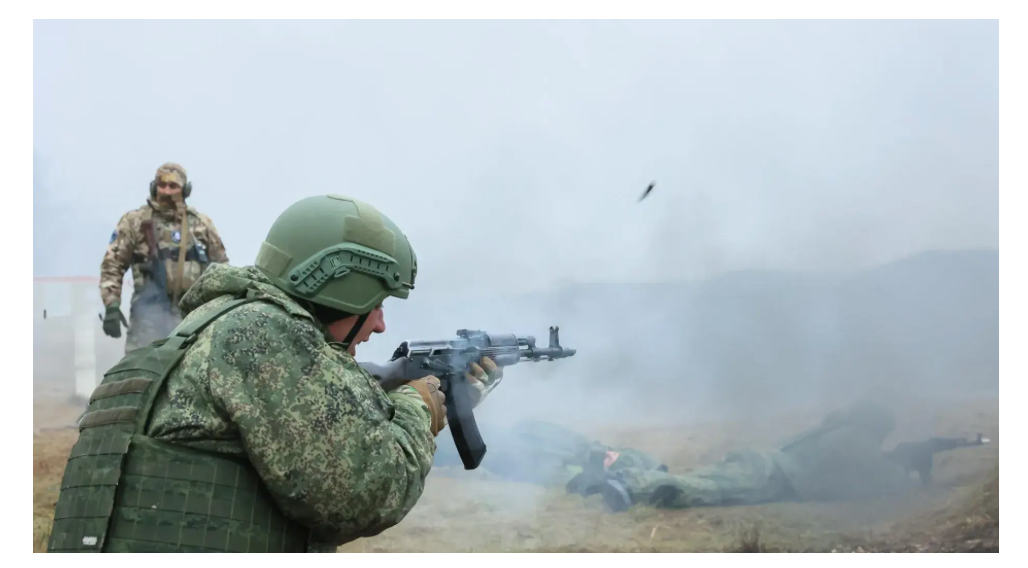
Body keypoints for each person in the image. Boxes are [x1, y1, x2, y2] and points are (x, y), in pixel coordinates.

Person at [48, 194, 504, 553]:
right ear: (344, 289)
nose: (381, 323)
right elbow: (366, 493)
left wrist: (445, 395)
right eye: (376, 303)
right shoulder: (262, 335)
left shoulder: (219, 325)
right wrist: (419, 406)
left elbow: (316, 427)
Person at [567, 400, 957, 513]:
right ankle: (626, 486)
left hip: (761, 462)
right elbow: (884, 485)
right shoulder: (856, 443)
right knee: (693, 487)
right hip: (769, 475)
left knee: (697, 478)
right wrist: (908, 464)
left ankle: (615, 465)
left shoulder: (838, 431)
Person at [99, 162, 229, 353]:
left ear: (185, 190)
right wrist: (112, 305)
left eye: (173, 186)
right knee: (139, 376)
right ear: (154, 187)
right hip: (147, 320)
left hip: (193, 321)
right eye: (162, 185)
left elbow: (223, 270)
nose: (166, 191)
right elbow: (112, 265)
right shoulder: (135, 222)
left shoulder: (201, 226)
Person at [432, 418, 668, 487]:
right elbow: (530, 428)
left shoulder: (573, 469)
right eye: (611, 455)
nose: (609, 456)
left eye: (611, 460)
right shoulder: (578, 446)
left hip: (497, 451)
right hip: (497, 440)